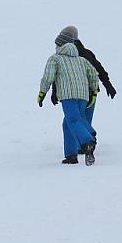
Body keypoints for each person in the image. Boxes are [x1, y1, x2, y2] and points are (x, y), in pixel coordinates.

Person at [38, 34, 99, 165]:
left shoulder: (55, 59)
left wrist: (42, 92)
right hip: (83, 95)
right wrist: (93, 91)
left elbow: (48, 77)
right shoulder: (81, 60)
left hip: (68, 95)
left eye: (56, 45)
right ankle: (71, 155)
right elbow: (94, 74)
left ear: (60, 46)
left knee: (73, 120)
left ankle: (88, 141)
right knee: (68, 124)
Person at [50, 26, 117, 145]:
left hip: (72, 93)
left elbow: (59, 76)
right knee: (84, 119)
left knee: (73, 119)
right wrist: (108, 85)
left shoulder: (63, 57)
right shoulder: (87, 53)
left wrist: (54, 91)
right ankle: (85, 143)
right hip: (91, 92)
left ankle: (86, 141)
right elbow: (99, 70)